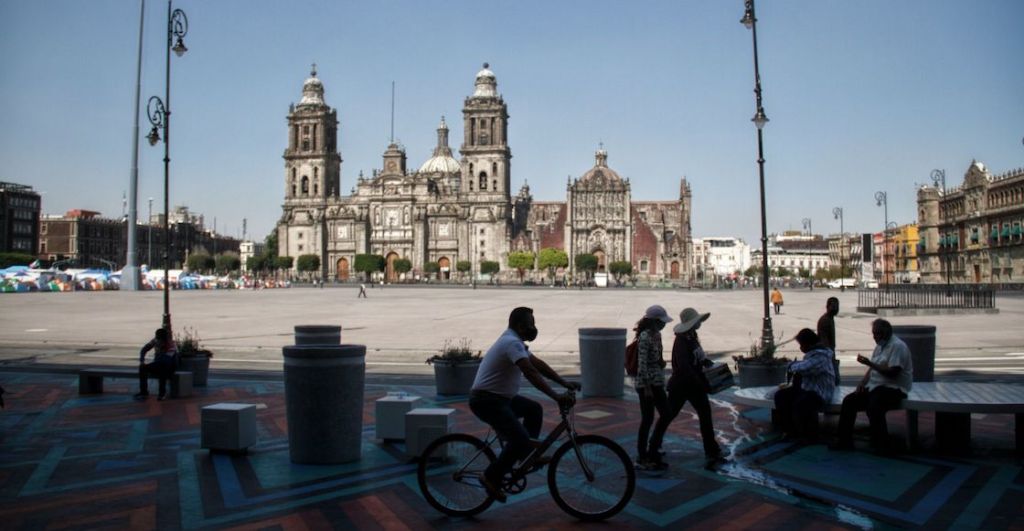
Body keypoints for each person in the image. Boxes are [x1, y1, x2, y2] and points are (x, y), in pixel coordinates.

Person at [469, 307, 579, 503]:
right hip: (487, 401)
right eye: (531, 324)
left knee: (534, 409)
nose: (533, 328)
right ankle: (490, 477)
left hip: (501, 398)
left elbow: (538, 365)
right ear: (520, 325)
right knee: (519, 438)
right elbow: (530, 372)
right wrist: (555, 396)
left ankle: (526, 456)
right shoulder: (511, 343)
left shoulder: (515, 342)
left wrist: (563, 383)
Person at [648, 307, 723, 468]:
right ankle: (653, 446)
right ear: (691, 324)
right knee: (669, 415)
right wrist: (698, 379)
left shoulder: (692, 337)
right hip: (682, 385)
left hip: (694, 385)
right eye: (697, 321)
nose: (699, 324)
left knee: (705, 415)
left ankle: (711, 449)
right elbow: (683, 365)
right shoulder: (682, 340)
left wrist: (706, 363)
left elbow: (698, 357)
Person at [832, 319, 913, 453]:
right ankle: (844, 440)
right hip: (876, 386)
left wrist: (869, 363)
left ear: (886, 333)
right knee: (849, 401)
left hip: (894, 388)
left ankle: (881, 442)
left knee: (874, 405)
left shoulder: (897, 346)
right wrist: (862, 383)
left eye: (877, 334)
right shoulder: (880, 347)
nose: (875, 337)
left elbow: (893, 372)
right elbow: (872, 370)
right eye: (874, 334)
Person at [774, 329, 835, 441]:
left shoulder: (821, 355)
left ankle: (809, 434)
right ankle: (789, 430)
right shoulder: (813, 354)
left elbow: (804, 367)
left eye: (802, 344)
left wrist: (790, 364)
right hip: (808, 389)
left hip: (820, 393)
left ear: (809, 344)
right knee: (781, 396)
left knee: (802, 402)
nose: (801, 348)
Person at [632, 305, 673, 470]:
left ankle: (653, 448)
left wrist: (661, 362)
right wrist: (647, 388)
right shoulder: (645, 337)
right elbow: (641, 364)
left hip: (657, 381)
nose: (664, 325)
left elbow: (658, 357)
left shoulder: (657, 335)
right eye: (661, 322)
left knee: (665, 414)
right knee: (648, 419)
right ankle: (643, 456)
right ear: (654, 322)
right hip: (647, 385)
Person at [134, 327, 178, 401]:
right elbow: (144, 349)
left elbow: (166, 361)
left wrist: (157, 358)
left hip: (169, 366)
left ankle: (162, 393)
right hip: (158, 364)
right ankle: (144, 392)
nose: (158, 341)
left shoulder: (171, 345)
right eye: (157, 338)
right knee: (142, 368)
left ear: (164, 339)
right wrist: (142, 360)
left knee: (162, 369)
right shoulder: (155, 340)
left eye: (159, 339)